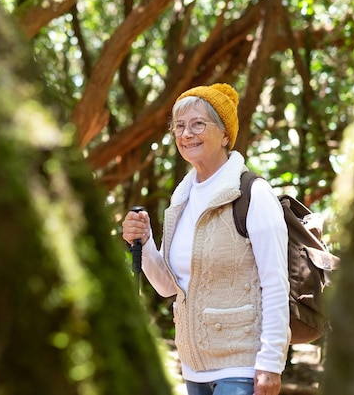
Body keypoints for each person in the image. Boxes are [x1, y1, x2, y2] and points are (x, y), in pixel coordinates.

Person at [122, 83, 290, 395]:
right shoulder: (182, 198)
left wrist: (270, 363)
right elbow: (168, 287)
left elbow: (276, 283)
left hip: (242, 367)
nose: (186, 134)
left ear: (226, 134)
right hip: (193, 368)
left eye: (198, 124)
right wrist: (144, 243)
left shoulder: (253, 194)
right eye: (180, 126)